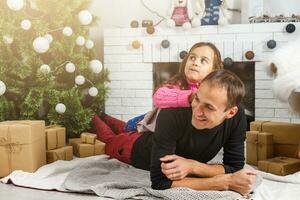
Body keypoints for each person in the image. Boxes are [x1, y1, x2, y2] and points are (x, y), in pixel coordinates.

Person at [92, 69, 257, 196]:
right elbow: (160, 182)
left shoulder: (237, 117)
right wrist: (225, 182)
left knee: (121, 127)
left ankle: (103, 115)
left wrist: (192, 166)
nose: (197, 111)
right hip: (134, 148)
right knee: (109, 139)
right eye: (197, 99)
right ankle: (93, 115)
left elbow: (234, 165)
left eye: (209, 107)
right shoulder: (171, 113)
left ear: (230, 112)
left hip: (157, 139)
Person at [125, 41, 223, 132]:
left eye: (203, 61)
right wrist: (190, 97)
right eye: (192, 58)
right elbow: (159, 96)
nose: (195, 63)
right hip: (145, 121)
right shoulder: (178, 83)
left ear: (214, 70)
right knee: (126, 128)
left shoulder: (213, 90)